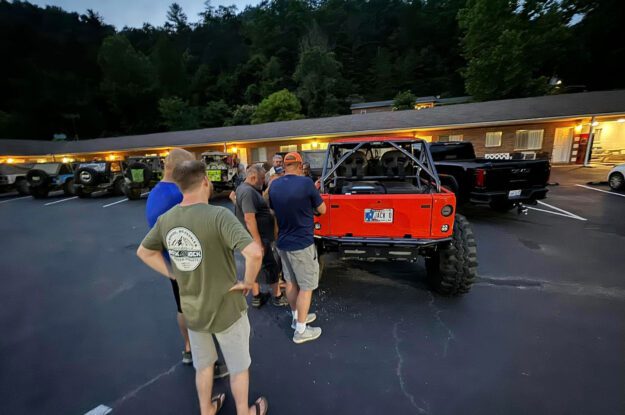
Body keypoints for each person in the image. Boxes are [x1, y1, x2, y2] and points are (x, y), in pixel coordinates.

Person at [137, 160, 268, 415]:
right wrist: (248, 282)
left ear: (179, 186)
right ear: (206, 182)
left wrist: (173, 274)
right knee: (238, 367)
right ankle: (245, 412)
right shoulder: (218, 216)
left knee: (204, 366)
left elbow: (144, 252)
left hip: (193, 310)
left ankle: (206, 409)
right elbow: (254, 253)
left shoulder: (167, 219)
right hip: (226, 309)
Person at [145, 148, 228, 378]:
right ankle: (208, 364)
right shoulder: (178, 195)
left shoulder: (155, 193)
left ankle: (189, 348)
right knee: (202, 312)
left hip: (174, 264)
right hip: (191, 265)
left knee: (183, 309)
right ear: (181, 170)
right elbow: (204, 212)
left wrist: (171, 273)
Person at [268, 152, 327, 344]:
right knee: (307, 286)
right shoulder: (306, 184)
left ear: (284, 166)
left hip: (283, 242)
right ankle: (301, 330)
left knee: (291, 282)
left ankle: (296, 319)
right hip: (301, 243)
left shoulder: (275, 185)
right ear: (300, 166)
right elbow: (322, 210)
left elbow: (273, 209)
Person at [235, 165, 289, 308]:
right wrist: (258, 242)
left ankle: (257, 296)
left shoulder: (243, 189)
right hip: (259, 239)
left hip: (252, 238)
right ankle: (278, 297)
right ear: (253, 177)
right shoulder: (247, 192)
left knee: (255, 266)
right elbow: (249, 217)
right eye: (261, 178)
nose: (263, 181)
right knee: (271, 266)